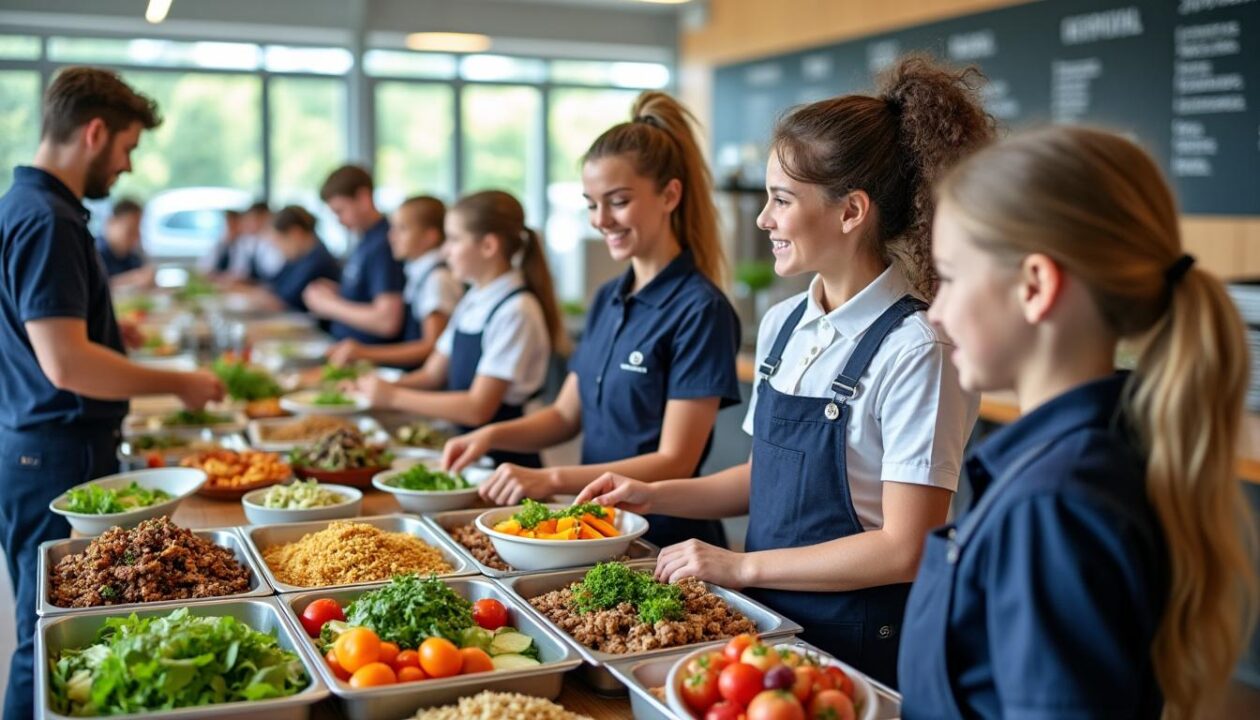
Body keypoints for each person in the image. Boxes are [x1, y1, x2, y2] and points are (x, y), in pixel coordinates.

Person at [573, 57, 994, 686]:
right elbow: (765, 477)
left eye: (781, 200)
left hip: (857, 646)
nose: (764, 220)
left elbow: (906, 546)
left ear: (851, 211)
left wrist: (740, 567)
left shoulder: (917, 348)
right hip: (767, 624)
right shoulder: (783, 323)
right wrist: (651, 495)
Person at [896, 126, 1258, 719]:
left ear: (1035, 286)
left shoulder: (1052, 506)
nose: (935, 314)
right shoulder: (1095, 455)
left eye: (951, 278)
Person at [0, 66, 224, 720]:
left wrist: (105, 328)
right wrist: (181, 383)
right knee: (48, 636)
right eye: (127, 148)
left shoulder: (26, 205)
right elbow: (67, 365)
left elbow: (44, 332)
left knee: (49, 625)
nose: (125, 166)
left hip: (35, 445)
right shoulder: (49, 220)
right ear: (94, 132)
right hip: (56, 453)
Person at [444, 91, 742, 550]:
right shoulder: (609, 297)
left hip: (665, 542)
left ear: (670, 195)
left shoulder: (701, 309)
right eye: (591, 204)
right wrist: (489, 435)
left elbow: (675, 460)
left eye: (618, 201)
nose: (601, 220)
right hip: (594, 532)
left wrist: (550, 479)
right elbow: (565, 415)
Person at [354, 190, 560, 467]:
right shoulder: (474, 298)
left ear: (488, 246)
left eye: (453, 239)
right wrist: (371, 388)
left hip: (505, 464)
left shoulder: (517, 310)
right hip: (468, 453)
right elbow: (432, 374)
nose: (444, 250)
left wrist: (392, 396)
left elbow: (477, 408)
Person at [328, 195, 462, 369]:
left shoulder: (437, 279)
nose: (391, 236)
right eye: (392, 228)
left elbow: (432, 346)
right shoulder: (418, 272)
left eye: (402, 229)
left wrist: (364, 353)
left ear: (429, 237)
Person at [304, 165, 405, 343]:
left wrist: (328, 305)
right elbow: (368, 295)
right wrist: (339, 292)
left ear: (363, 198)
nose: (339, 221)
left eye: (340, 211)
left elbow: (387, 320)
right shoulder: (365, 239)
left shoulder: (383, 243)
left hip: (365, 356)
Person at [262, 205, 341, 313]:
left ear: (296, 234)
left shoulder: (318, 260)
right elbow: (273, 285)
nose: (279, 249)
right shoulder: (298, 257)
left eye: (279, 241)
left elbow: (283, 301)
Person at [94, 197, 153, 289]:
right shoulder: (94, 254)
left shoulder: (132, 257)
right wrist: (132, 279)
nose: (136, 237)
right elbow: (95, 287)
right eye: (130, 230)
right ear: (111, 223)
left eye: (138, 230)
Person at [199, 208, 247, 278]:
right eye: (228, 224)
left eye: (234, 224)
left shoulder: (245, 245)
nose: (230, 228)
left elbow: (240, 273)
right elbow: (203, 267)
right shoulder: (219, 244)